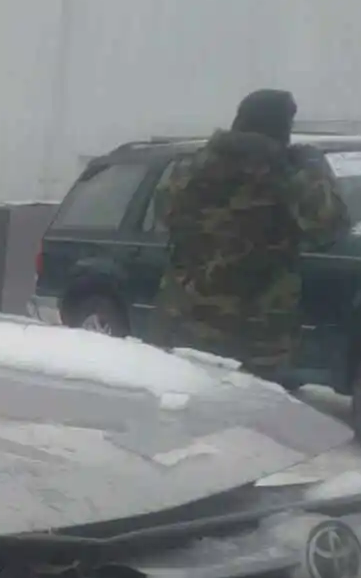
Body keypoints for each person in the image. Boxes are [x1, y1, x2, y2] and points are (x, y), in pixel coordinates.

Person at [149, 89, 349, 379]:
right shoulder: (285, 175)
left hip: (180, 323)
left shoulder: (190, 168)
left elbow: (162, 215)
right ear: (280, 128)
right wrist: (314, 167)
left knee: (176, 412)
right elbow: (330, 227)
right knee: (248, 423)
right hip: (254, 336)